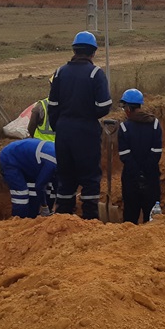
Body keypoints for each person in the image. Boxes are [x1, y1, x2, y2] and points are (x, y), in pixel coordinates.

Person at [49, 31, 112, 219]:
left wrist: (60, 126)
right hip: (86, 132)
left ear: (74, 50)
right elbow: (104, 106)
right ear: (93, 52)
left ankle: (63, 218)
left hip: (63, 132)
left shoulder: (59, 72)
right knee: (90, 177)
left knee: (65, 177)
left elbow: (53, 105)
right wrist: (87, 115)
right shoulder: (95, 73)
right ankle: (89, 220)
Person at [116, 88, 163, 224]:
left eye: (124, 107)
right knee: (152, 218)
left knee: (130, 218)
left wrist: (137, 173)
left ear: (128, 108)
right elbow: (156, 152)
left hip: (131, 178)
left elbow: (125, 155)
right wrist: (145, 172)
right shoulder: (154, 124)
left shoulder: (124, 127)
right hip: (151, 177)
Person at [0, 138, 58, 218]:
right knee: (21, 194)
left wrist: (49, 209)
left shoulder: (59, 158)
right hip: (11, 157)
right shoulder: (52, 162)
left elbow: (54, 187)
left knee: (34, 193)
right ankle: (18, 221)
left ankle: (32, 218)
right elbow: (39, 186)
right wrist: (44, 206)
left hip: (30, 163)